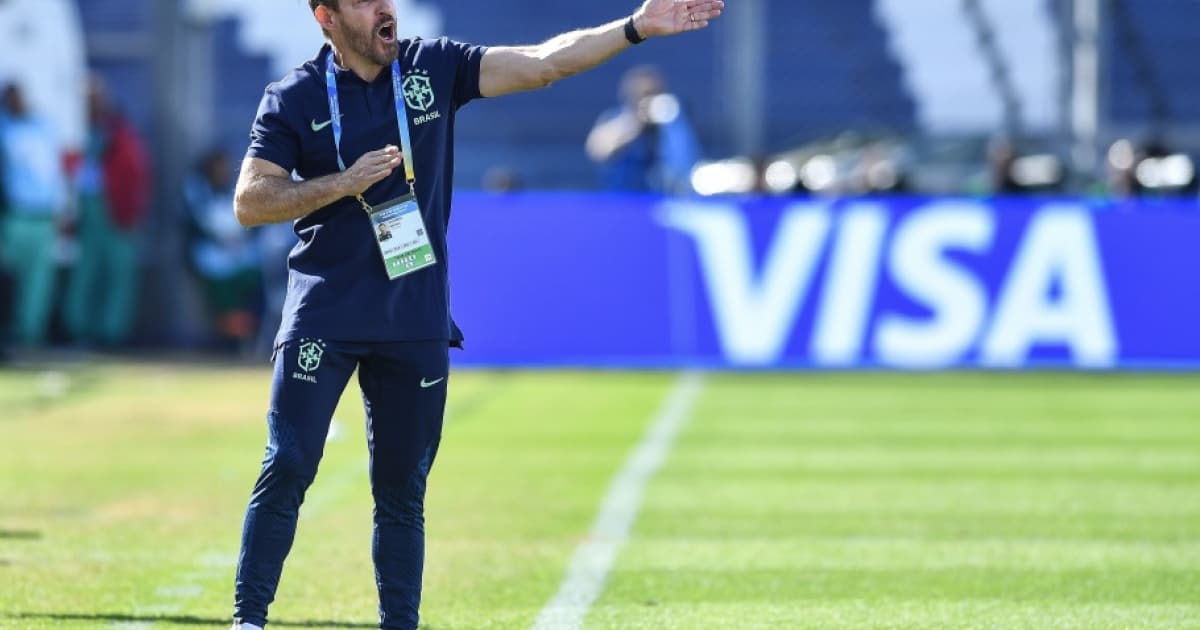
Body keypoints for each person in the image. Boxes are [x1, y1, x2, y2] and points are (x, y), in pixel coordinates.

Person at [228, 1, 724, 628]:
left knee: (403, 492)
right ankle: (248, 620)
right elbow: (250, 201)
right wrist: (342, 183)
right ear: (325, 16)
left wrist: (634, 27)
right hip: (324, 311)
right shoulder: (294, 95)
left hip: (414, 314)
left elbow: (544, 64)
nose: (384, 7)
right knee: (291, 462)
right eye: (362, 1)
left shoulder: (432, 68)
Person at [62, 76, 151, 347]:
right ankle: (79, 330)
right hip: (87, 212)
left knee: (118, 275)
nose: (92, 105)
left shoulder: (120, 133)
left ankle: (112, 334)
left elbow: (136, 174)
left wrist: (133, 210)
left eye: (96, 99)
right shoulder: (72, 131)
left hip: (116, 211)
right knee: (84, 275)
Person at [0, 82, 66, 348]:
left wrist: (61, 210)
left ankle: (31, 334)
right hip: (14, 214)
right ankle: (10, 329)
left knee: (39, 281)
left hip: (43, 215)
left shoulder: (44, 127)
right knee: (8, 276)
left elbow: (55, 172)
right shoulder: (4, 129)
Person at [183, 148, 261, 351]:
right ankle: (229, 338)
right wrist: (224, 237)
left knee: (254, 280)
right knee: (223, 290)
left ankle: (247, 333)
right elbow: (201, 223)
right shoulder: (196, 190)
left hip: (239, 252)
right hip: (211, 255)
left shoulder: (233, 188)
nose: (223, 171)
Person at [585, 65, 701, 194]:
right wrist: (635, 124)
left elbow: (685, 165)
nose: (649, 100)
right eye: (644, 94)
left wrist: (672, 122)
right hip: (620, 202)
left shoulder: (670, 125)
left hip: (659, 202)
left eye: (655, 93)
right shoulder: (614, 118)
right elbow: (598, 151)